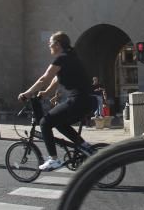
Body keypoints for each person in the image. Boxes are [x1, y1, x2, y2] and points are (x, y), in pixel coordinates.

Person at [18, 32, 94, 171]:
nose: (49, 46)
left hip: (78, 100)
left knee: (45, 122)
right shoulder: (70, 57)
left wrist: (27, 93)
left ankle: (54, 159)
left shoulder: (61, 59)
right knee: (58, 122)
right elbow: (56, 78)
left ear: (58, 44)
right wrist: (46, 92)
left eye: (50, 43)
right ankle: (85, 147)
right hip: (87, 100)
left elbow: (44, 78)